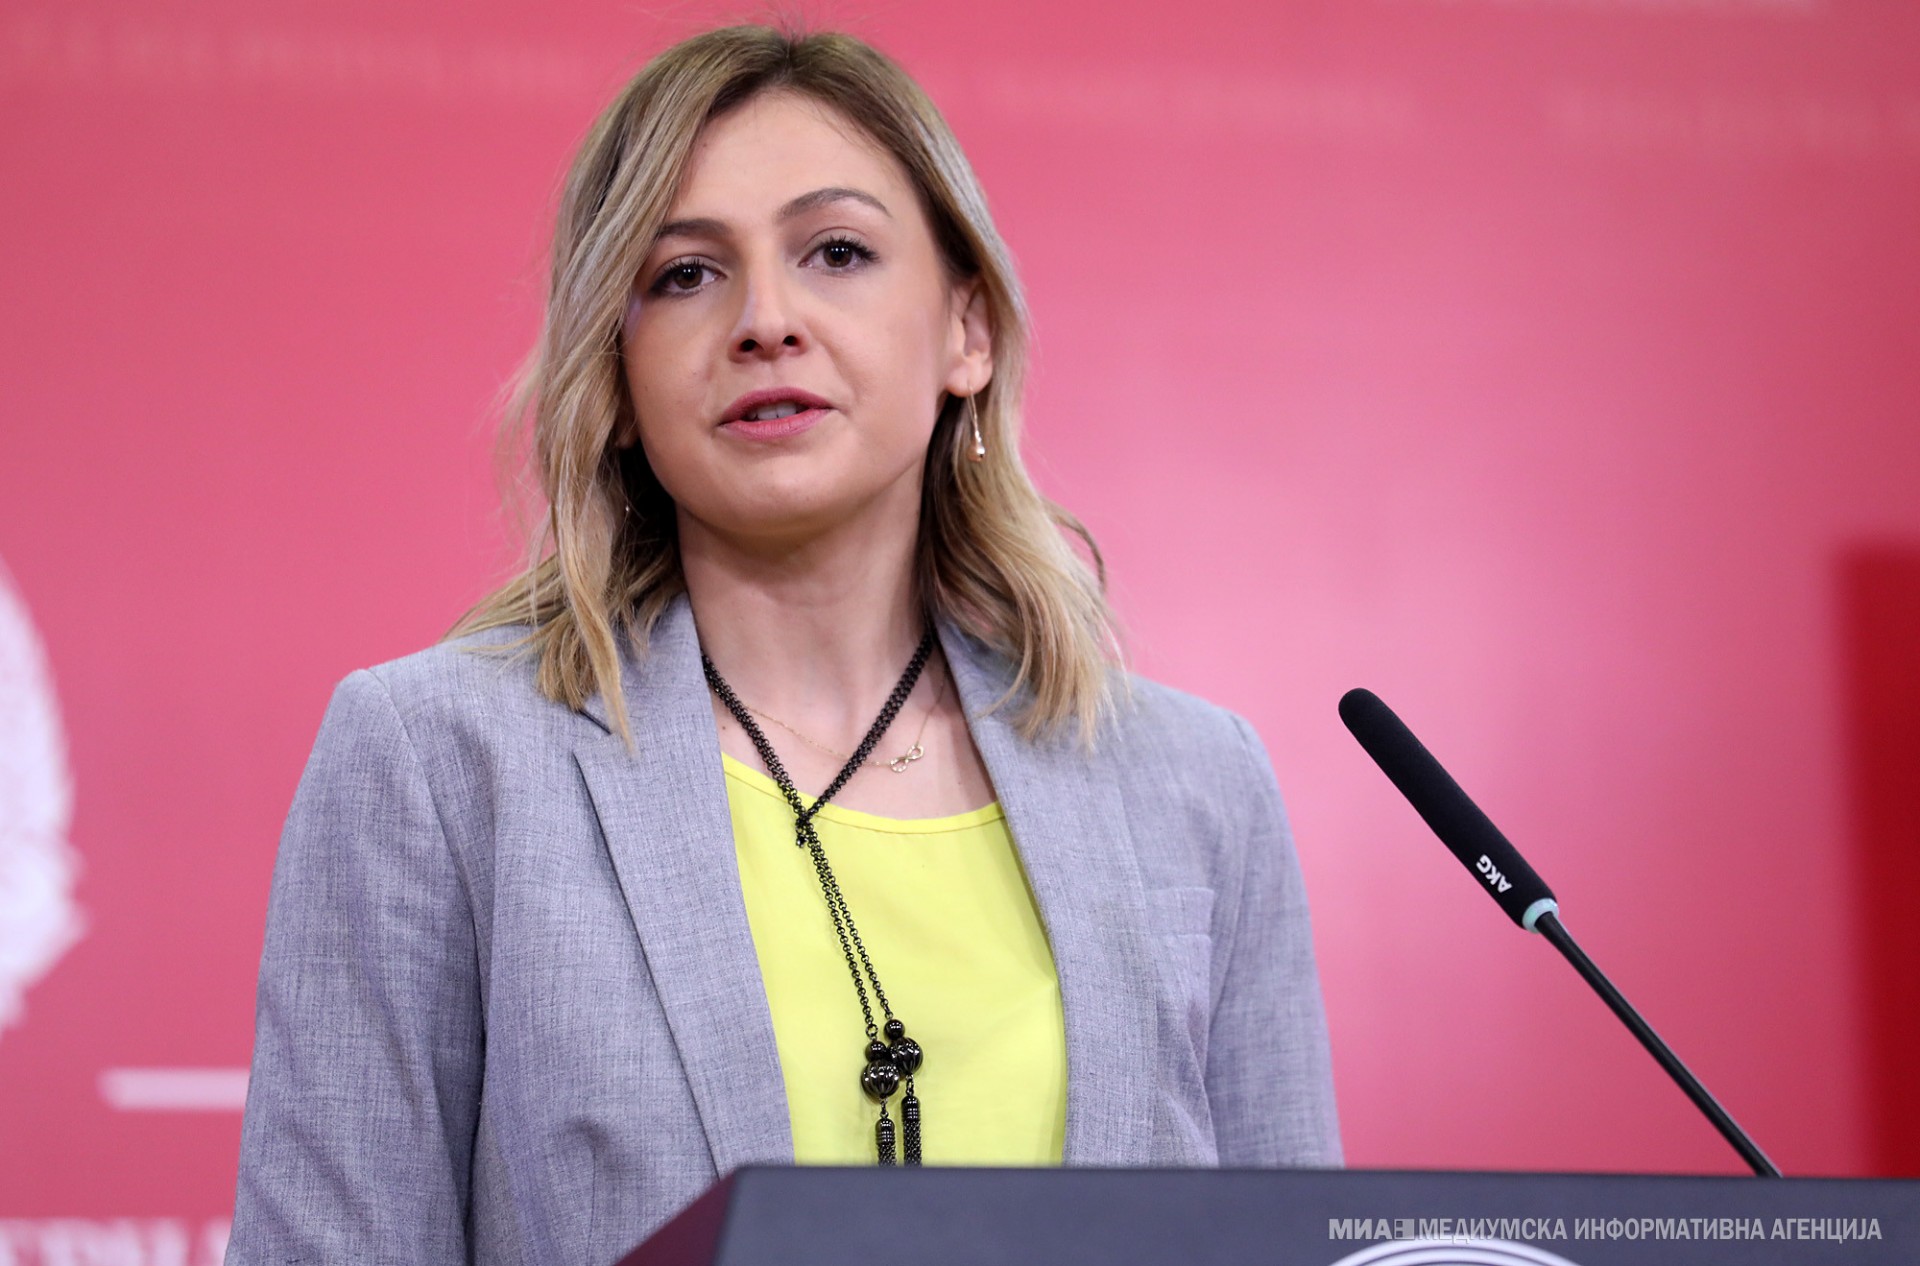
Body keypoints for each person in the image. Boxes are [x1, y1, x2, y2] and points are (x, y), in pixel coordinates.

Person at [227, 23, 1340, 1265]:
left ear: (967, 329)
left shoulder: (1195, 785)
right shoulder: (440, 764)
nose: (765, 320)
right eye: (685, 275)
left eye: (838, 252)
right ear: (618, 373)